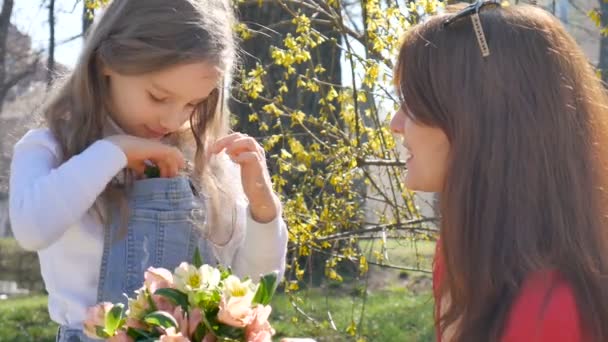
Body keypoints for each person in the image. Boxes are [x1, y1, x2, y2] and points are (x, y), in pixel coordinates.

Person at [8, 0, 288, 340]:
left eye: (193, 103)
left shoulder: (204, 161)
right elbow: (31, 228)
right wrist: (114, 151)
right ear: (106, 63)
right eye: (158, 97)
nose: (173, 120)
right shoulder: (51, 149)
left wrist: (263, 209)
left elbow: (250, 289)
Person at [390, 2, 608, 341]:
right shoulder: (460, 260)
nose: (395, 124)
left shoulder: (551, 313)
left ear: (478, 122)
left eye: (413, 102)